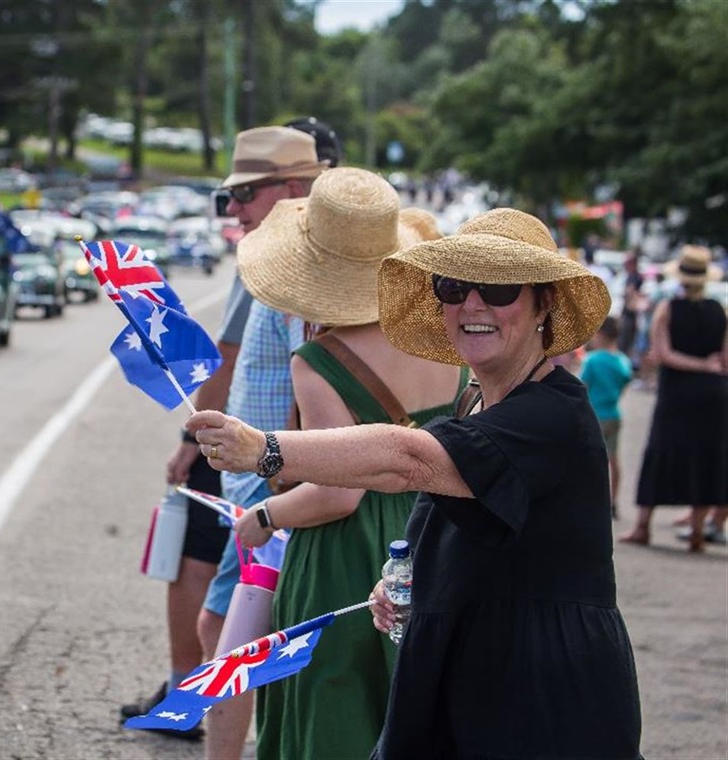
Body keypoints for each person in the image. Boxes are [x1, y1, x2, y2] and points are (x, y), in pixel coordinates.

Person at [188, 208, 642, 758]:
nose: (473, 305)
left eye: (498, 290)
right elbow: (455, 519)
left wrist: (265, 449)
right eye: (455, 286)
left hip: (540, 683)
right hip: (472, 665)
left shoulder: (552, 414)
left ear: (544, 302)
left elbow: (408, 460)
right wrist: (406, 582)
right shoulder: (476, 399)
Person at [229, 167, 466, 760]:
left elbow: (338, 493)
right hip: (441, 539)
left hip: (348, 556)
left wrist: (261, 516)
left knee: (333, 715)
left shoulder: (319, 358)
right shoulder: (446, 335)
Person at [119, 125, 328, 745]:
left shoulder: (295, 269)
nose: (232, 208)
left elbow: (296, 372)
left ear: (293, 189)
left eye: (246, 193)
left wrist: (283, 481)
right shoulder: (271, 256)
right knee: (232, 631)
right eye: (230, 195)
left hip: (275, 487)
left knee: (233, 634)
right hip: (262, 481)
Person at [621, 245, 727, 552]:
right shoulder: (719, 310)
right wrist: (707, 365)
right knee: (708, 457)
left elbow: (662, 354)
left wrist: (696, 364)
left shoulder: (667, 308)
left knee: (661, 451)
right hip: (714, 395)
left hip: (677, 393)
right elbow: (724, 358)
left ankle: (643, 525)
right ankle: (697, 530)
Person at [580, 316, 633, 518]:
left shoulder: (593, 360)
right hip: (613, 413)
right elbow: (626, 382)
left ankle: (589, 499)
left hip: (593, 415)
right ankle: (613, 501)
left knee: (588, 460)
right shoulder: (623, 361)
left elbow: (582, 387)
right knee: (613, 459)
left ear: (600, 335)